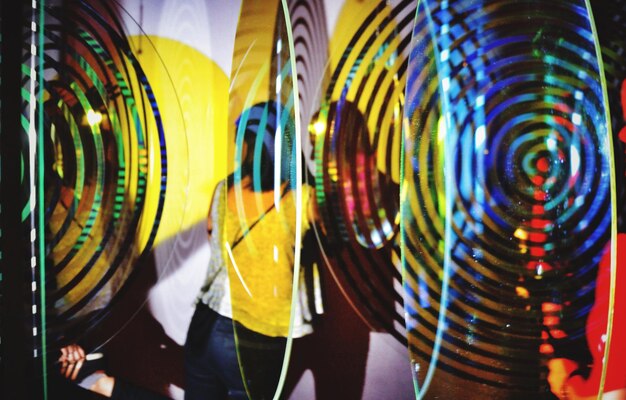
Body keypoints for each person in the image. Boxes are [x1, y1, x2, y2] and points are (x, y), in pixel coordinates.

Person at [184, 101, 320, 400]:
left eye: (240, 141)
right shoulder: (302, 199)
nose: (236, 150)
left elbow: (213, 235)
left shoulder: (223, 189)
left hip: (206, 323)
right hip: (257, 338)